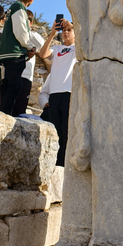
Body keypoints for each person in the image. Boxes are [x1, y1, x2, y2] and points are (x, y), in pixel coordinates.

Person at [38, 17, 78, 166]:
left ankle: (64, 164)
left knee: (66, 132)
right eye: (64, 30)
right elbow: (42, 54)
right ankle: (54, 163)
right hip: (54, 95)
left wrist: (73, 25)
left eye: (69, 30)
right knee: (55, 131)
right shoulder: (57, 49)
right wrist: (52, 34)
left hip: (69, 94)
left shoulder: (77, 49)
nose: (66, 33)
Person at [0, 0, 39, 116]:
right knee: (15, 85)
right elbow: (20, 32)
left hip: (7, 54)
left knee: (10, 84)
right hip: (14, 54)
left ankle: (3, 112)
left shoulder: (12, 8)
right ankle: (5, 114)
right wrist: (29, 46)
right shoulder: (19, 8)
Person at [12, 10, 45, 116]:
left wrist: (24, 31)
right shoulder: (9, 32)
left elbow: (41, 44)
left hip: (25, 77)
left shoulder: (33, 35)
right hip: (9, 75)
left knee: (20, 110)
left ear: (30, 23)